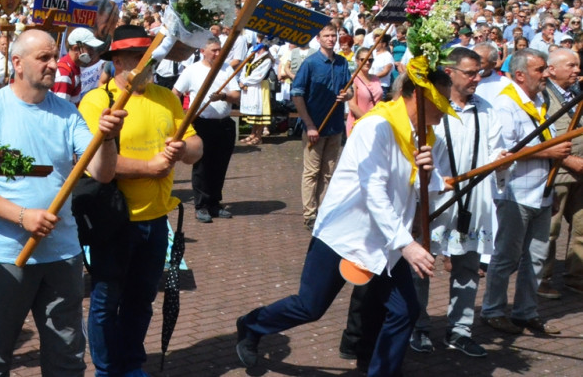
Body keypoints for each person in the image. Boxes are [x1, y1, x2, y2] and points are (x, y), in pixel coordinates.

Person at [236, 69, 448, 377]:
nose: (447, 108)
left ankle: (382, 371)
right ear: (418, 95)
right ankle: (252, 324)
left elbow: (428, 188)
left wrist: (427, 174)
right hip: (346, 234)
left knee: (405, 310)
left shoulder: (428, 137)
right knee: (310, 306)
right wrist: (408, 244)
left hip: (388, 240)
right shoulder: (376, 127)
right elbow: (373, 189)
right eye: (442, 99)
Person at [0, 28, 126, 376]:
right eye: (44, 58)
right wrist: (22, 216)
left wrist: (108, 139)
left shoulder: (67, 113)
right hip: (7, 256)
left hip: (62, 254)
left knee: (66, 356)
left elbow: (101, 172)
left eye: (54, 57)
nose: (54, 65)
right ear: (17, 64)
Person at [76, 25, 202, 377]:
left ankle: (131, 364)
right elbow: (92, 163)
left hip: (156, 219)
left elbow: (195, 147)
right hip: (113, 221)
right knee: (105, 301)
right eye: (141, 59)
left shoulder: (166, 97)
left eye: (152, 58)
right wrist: (149, 167)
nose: (150, 66)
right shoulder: (98, 101)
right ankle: (105, 369)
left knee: (141, 300)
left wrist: (181, 150)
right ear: (118, 60)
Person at [403, 47, 503, 358]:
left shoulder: (486, 109)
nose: (477, 78)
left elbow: (496, 151)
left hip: (474, 202)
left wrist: (502, 161)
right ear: (450, 73)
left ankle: (460, 330)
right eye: (471, 72)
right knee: (422, 266)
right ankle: (417, 326)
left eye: (479, 72)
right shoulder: (432, 108)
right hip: (434, 202)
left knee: (468, 267)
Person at [480, 48, 575, 336]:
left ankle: (526, 311)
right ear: (520, 74)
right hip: (515, 192)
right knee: (506, 257)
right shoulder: (506, 104)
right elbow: (505, 153)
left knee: (536, 256)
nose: (546, 74)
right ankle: (493, 310)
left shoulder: (542, 100)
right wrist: (550, 152)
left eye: (546, 68)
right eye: (540, 69)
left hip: (543, 190)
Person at [293, 23, 353, 230]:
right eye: (326, 36)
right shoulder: (310, 63)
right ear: (318, 39)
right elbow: (297, 94)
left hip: (335, 126)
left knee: (328, 172)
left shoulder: (342, 63)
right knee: (311, 172)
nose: (330, 39)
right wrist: (309, 124)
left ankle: (323, 211)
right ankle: (309, 214)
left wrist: (348, 95)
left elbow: (350, 90)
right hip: (315, 127)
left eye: (333, 35)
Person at [173, 36, 239, 223]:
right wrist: (181, 115)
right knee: (202, 166)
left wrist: (224, 96)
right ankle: (201, 206)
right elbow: (175, 92)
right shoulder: (192, 70)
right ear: (203, 51)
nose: (218, 53)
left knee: (220, 165)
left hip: (224, 124)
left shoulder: (226, 69)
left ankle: (214, 204)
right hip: (202, 123)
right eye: (214, 50)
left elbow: (236, 95)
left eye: (220, 50)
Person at [539, 47, 583, 297]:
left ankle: (576, 276)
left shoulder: (578, 92)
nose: (577, 70)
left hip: (582, 173)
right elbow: (541, 135)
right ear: (552, 69)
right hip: (558, 171)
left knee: (581, 227)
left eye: (577, 65)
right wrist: (568, 160)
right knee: (550, 229)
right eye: (571, 66)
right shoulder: (543, 97)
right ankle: (541, 278)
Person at [52, 27, 102, 105]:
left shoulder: (74, 68)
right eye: (89, 48)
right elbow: (60, 109)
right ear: (76, 48)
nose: (93, 52)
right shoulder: (64, 74)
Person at [238, 43, 273, 145]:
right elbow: (244, 70)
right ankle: (252, 133)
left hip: (260, 86)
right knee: (254, 113)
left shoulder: (267, 59)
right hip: (249, 86)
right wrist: (242, 81)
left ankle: (259, 135)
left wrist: (245, 82)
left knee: (260, 111)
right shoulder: (252, 57)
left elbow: (259, 75)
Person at [347, 47, 383, 135]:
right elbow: (352, 105)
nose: (367, 62)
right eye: (363, 59)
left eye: (370, 60)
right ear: (357, 60)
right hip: (359, 123)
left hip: (376, 123)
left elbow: (380, 101)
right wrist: (368, 121)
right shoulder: (353, 79)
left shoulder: (376, 78)